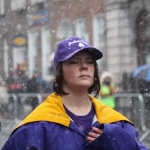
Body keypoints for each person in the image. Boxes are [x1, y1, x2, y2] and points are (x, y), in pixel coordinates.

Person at [1, 36, 148, 150]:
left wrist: (118, 141)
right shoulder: (38, 126)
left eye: (90, 61)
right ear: (60, 71)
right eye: (74, 61)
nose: (84, 66)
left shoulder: (116, 123)